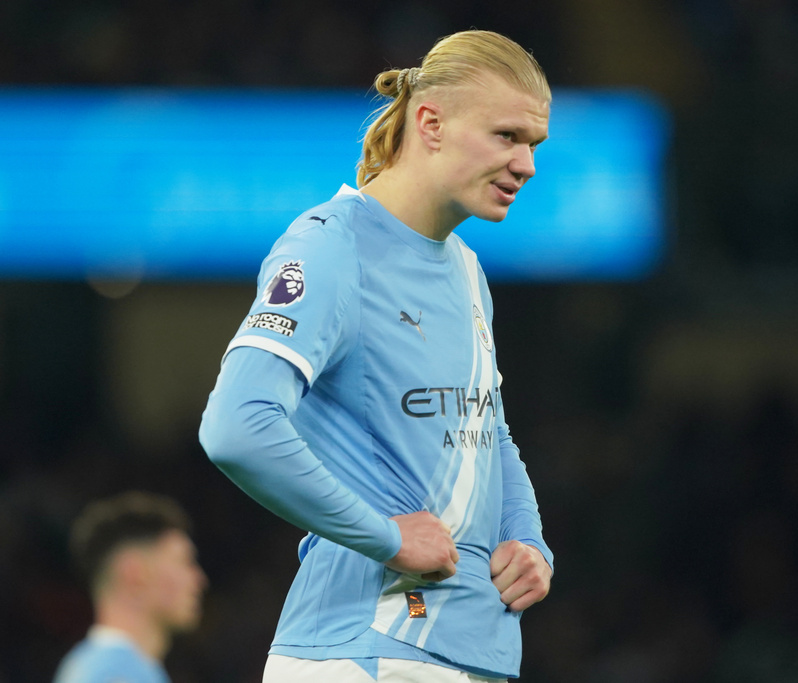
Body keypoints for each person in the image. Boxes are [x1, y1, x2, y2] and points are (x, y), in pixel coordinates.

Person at [199, 29, 553, 683]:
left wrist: (527, 540)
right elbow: (236, 424)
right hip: (365, 652)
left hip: (464, 652)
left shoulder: (467, 268)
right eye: (507, 136)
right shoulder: (331, 248)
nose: (527, 163)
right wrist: (387, 537)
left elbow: (487, 428)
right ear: (430, 122)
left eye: (534, 144)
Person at [53, 491, 207, 683]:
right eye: (184, 562)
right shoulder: (111, 675)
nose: (199, 580)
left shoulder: (123, 671)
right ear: (135, 574)